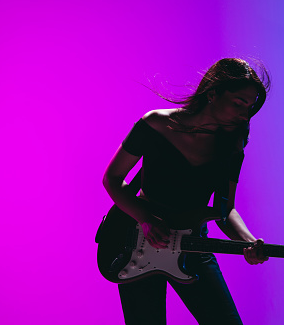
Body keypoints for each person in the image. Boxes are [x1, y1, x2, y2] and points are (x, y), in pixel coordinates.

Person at [102, 58, 270, 324]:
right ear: (213, 92)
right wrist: (145, 219)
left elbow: (225, 211)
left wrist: (248, 241)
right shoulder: (156, 123)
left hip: (193, 246)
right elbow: (113, 178)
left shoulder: (233, 145)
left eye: (250, 107)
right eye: (239, 102)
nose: (245, 113)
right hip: (138, 244)